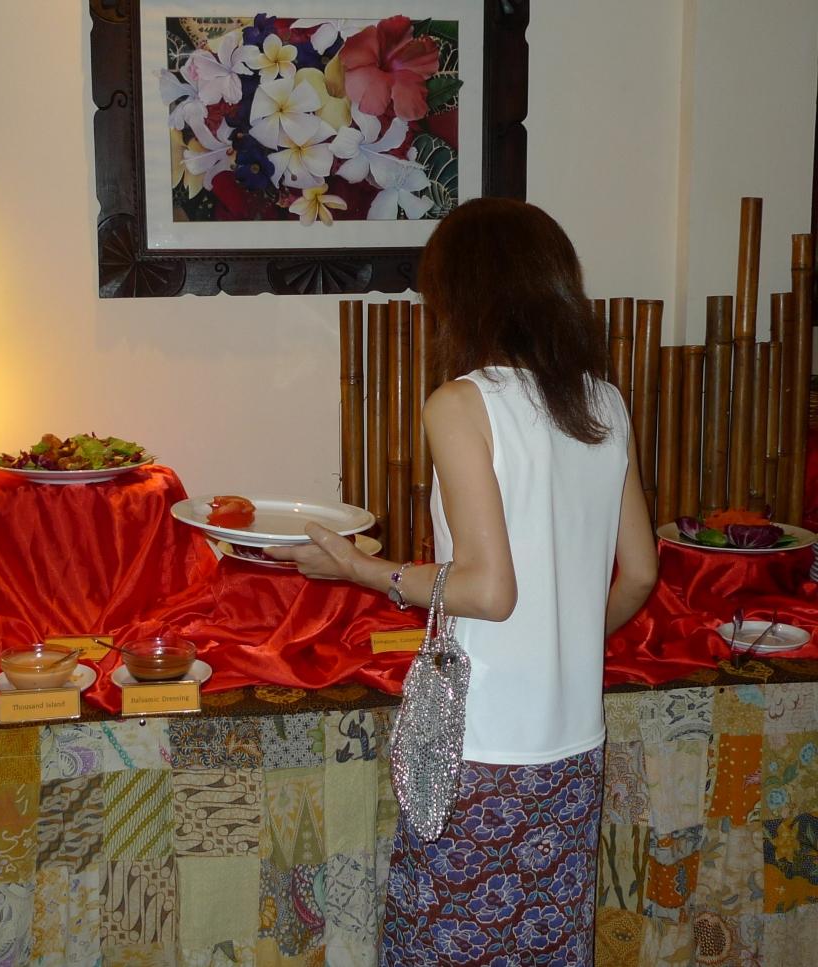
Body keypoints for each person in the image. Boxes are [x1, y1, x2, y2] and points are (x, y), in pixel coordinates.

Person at [268, 198, 658, 965]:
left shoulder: (461, 403)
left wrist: (362, 569)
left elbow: (488, 590)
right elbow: (640, 573)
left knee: (441, 944)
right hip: (573, 750)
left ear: (460, 294)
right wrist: (567, 644)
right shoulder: (603, 402)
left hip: (483, 751)